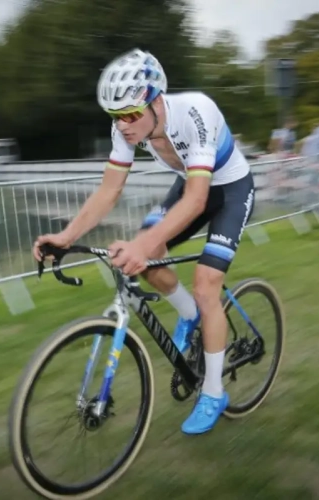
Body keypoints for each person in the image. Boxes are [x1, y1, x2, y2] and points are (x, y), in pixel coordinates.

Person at [32, 48, 255, 435]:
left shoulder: (195, 112)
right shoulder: (125, 126)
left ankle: (214, 392)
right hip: (190, 185)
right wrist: (66, 236)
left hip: (230, 190)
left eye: (131, 115)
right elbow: (109, 191)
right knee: (148, 256)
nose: (123, 126)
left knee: (205, 284)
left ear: (156, 101)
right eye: (115, 117)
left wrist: (141, 246)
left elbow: (199, 200)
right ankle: (189, 316)